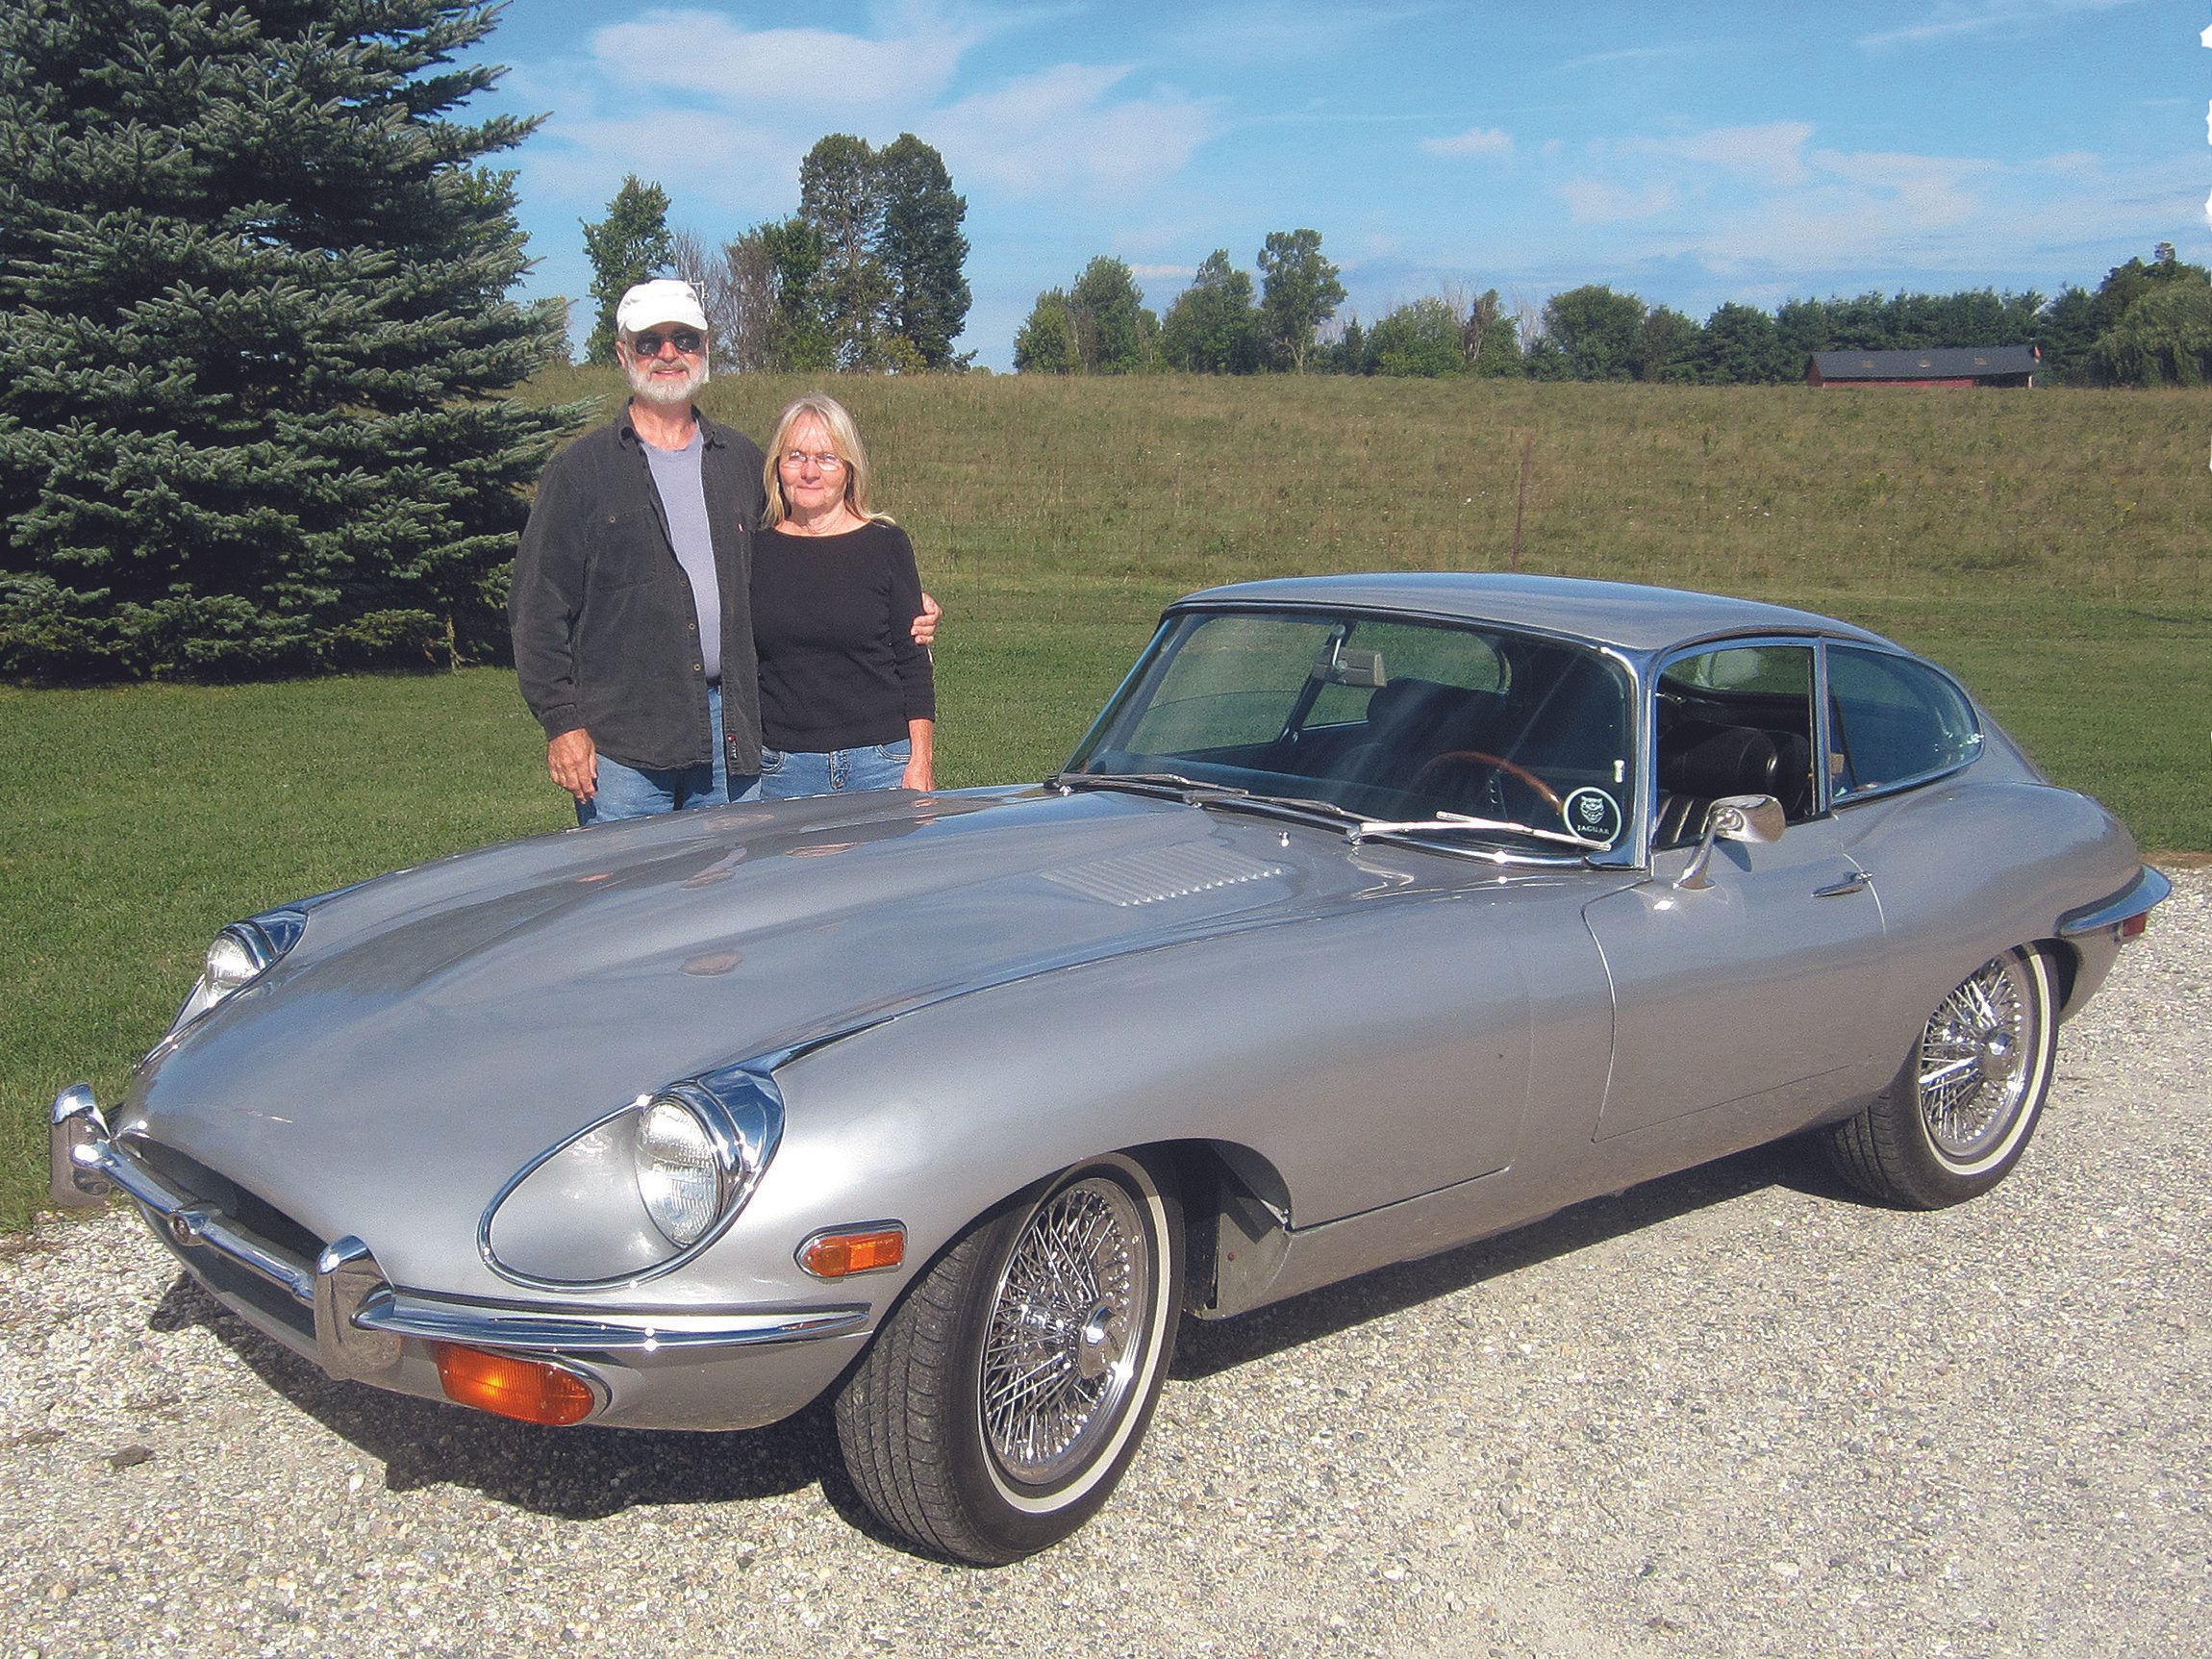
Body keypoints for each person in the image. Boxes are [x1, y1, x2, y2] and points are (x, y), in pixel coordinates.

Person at [510, 280, 938, 823]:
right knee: (629, 899)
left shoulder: (739, 462)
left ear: (704, 350)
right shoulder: (581, 473)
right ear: (623, 353)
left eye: (683, 339)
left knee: (729, 895)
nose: (668, 354)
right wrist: (562, 723)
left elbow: (809, 548)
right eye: (650, 342)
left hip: (731, 734)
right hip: (623, 745)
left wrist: (904, 603)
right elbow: (536, 610)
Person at [752, 394, 936, 798]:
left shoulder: (886, 544)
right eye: (796, 456)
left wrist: (919, 763)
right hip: (785, 769)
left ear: (850, 469)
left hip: (880, 764)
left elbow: (914, 662)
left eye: (827, 458)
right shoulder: (754, 549)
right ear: (776, 466)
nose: (810, 471)